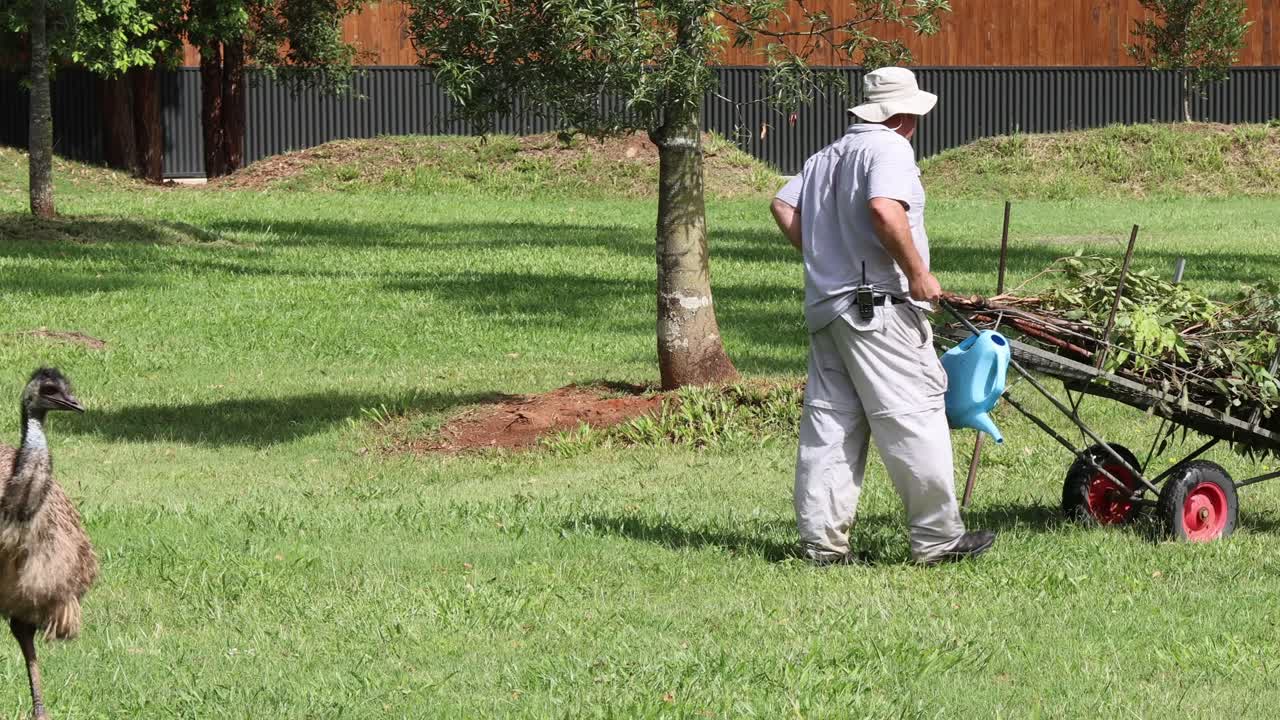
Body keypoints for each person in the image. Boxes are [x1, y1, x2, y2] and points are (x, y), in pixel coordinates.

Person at [772, 67, 996, 566]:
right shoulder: (890, 148)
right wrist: (917, 272)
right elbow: (884, 210)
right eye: (915, 115)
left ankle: (823, 548)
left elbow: (783, 205)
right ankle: (938, 541)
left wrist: (823, 259)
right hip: (879, 308)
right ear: (903, 115)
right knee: (913, 416)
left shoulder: (827, 155)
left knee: (831, 426)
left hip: (829, 310)